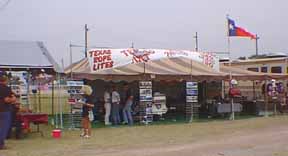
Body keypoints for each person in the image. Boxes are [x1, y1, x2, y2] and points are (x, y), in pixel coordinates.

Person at [0, 71, 16, 149]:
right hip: (4, 110)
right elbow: (7, 100)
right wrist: (13, 98)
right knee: (3, 127)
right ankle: (0, 144)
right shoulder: (5, 88)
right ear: (5, 79)